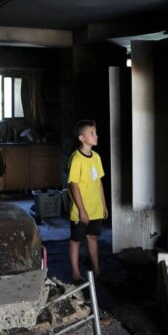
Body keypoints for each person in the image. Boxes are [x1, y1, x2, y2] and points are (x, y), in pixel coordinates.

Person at [67, 119, 107, 284]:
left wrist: (104, 205)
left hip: (95, 207)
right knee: (76, 240)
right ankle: (76, 273)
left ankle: (96, 269)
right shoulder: (76, 159)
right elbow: (73, 186)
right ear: (82, 138)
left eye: (95, 132)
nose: (96, 135)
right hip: (80, 210)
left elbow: (98, 182)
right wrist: (82, 210)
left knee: (92, 237)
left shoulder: (96, 157)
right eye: (92, 133)